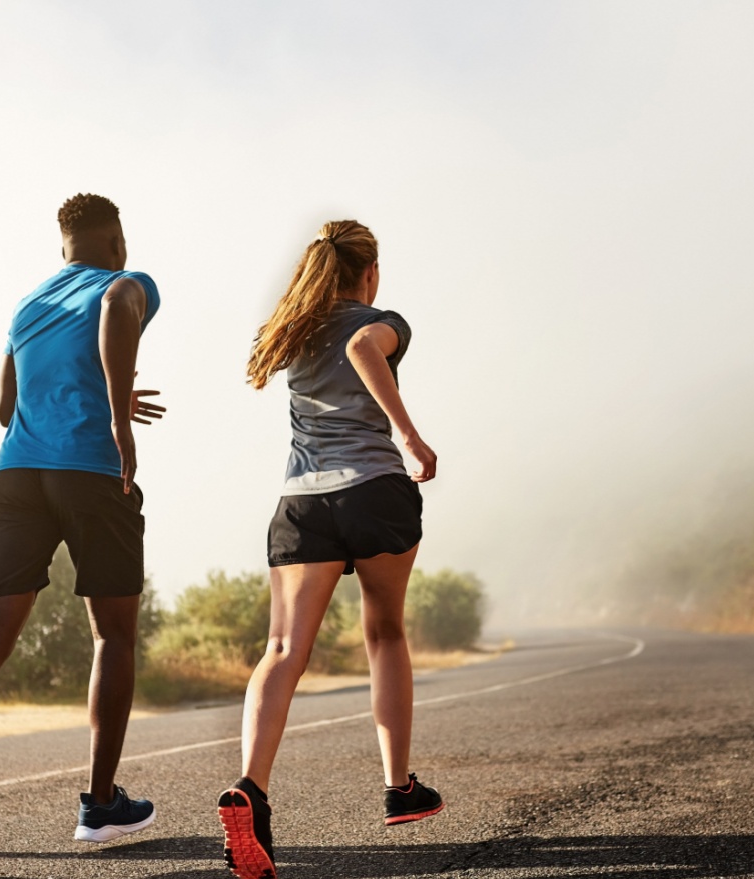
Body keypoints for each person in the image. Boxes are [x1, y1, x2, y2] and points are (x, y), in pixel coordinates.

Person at [0, 193, 167, 878]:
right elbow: (116, 311)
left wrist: (82, 391)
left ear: (62, 246)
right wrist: (118, 416)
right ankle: (102, 802)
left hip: (18, 472)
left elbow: (4, 407)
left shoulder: (28, 305)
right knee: (112, 633)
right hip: (89, 470)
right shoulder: (125, 283)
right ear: (116, 242)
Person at [217, 220, 444, 879]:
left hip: (302, 504)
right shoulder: (379, 320)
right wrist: (410, 435)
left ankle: (250, 789)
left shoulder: (294, 327)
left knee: (282, 652)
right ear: (368, 273)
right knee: (385, 634)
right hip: (374, 490)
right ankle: (399, 786)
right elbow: (366, 349)